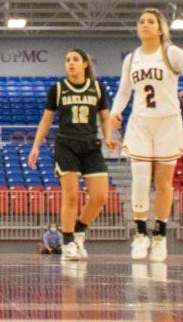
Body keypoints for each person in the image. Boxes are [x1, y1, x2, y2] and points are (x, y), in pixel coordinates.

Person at [110, 8, 183, 262]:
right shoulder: (131, 59)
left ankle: (160, 236)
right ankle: (141, 235)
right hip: (140, 123)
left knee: (164, 183)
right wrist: (114, 113)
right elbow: (123, 92)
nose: (145, 25)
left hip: (168, 123)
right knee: (140, 180)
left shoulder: (171, 52)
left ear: (161, 28)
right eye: (141, 21)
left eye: (150, 21)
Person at [27, 48, 118, 261]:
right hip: (66, 145)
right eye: (67, 60)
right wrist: (36, 146)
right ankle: (68, 242)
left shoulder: (97, 88)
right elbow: (46, 120)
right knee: (71, 196)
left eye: (75, 59)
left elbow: (105, 118)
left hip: (91, 146)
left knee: (100, 197)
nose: (70, 63)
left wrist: (107, 137)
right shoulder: (58, 89)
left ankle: (78, 230)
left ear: (85, 64)